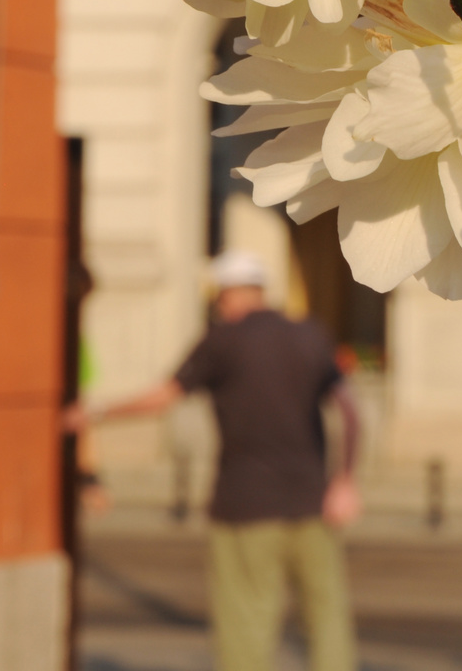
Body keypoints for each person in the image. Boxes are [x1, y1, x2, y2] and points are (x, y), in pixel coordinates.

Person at [64, 249, 360, 671]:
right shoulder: (309, 334)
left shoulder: (222, 340)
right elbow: (349, 407)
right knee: (327, 613)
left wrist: (95, 413)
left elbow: (162, 398)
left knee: (247, 618)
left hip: (244, 503)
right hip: (312, 500)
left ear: (225, 295)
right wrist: (345, 480)